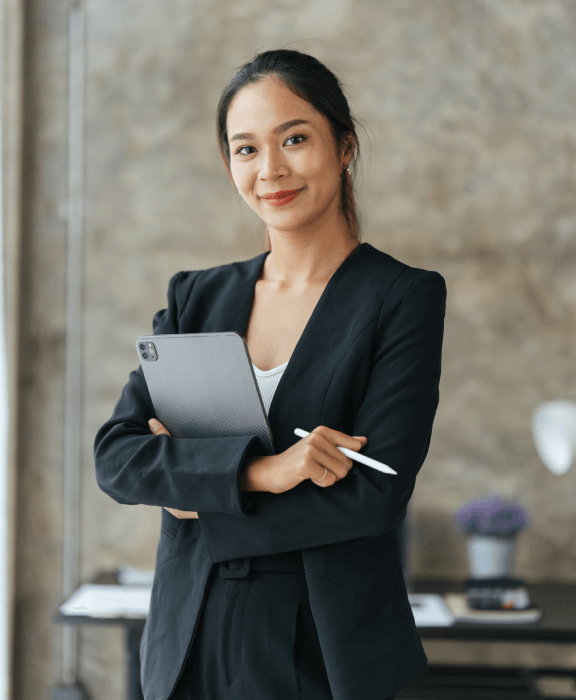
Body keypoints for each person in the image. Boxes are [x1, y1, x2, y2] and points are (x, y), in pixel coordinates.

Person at [94, 48, 447, 700]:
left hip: (323, 647)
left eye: (294, 138)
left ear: (344, 146)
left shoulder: (400, 298)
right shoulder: (196, 297)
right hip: (186, 640)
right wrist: (264, 471)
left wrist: (196, 489)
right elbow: (117, 458)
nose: (271, 170)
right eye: (246, 149)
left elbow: (376, 495)